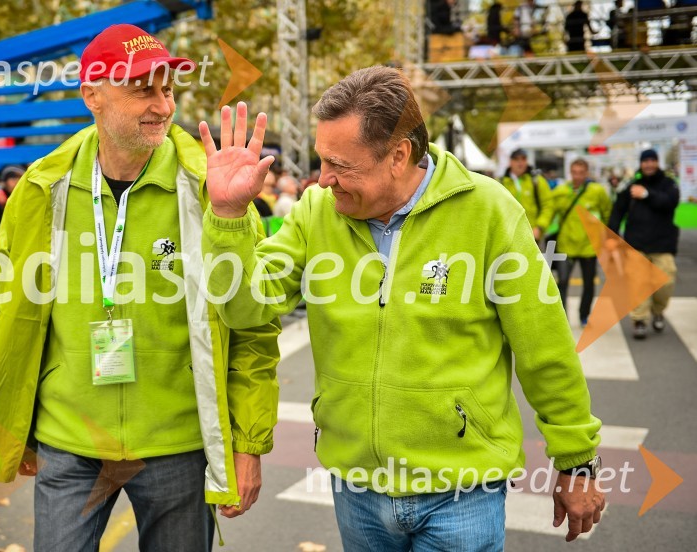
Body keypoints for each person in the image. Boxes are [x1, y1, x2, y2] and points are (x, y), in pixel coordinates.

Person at [200, 66, 605, 550]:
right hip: (357, 488)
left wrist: (576, 461)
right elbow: (246, 309)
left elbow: (546, 349)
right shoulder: (315, 212)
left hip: (462, 490)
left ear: (398, 155)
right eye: (320, 160)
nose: (323, 178)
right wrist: (227, 216)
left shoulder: (489, 212)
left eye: (340, 165)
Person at [0, 25, 281, 552]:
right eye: (142, 90)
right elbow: (16, 316)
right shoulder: (43, 188)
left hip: (176, 447)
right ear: (92, 93)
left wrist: (247, 445)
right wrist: (13, 425)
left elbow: (252, 323)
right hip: (69, 443)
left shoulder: (211, 188)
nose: (162, 106)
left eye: (168, 89)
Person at [608, 149, 680, 340]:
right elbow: (617, 211)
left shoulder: (668, 184)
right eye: (645, 161)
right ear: (641, 164)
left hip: (662, 244)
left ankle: (657, 311)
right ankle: (639, 320)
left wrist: (647, 194)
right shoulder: (631, 186)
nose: (649, 164)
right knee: (637, 283)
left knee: (666, 282)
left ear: (657, 163)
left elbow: (670, 202)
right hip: (636, 244)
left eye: (652, 160)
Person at [551, 159, 612, 327]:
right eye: (574, 172)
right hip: (566, 245)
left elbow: (607, 213)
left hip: (589, 247)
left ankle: (584, 315)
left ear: (587, 173)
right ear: (570, 173)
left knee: (588, 284)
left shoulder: (597, 191)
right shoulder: (561, 191)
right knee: (561, 282)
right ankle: (562, 316)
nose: (577, 176)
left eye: (581, 172)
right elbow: (548, 210)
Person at [500, 149, 553, 243]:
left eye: (523, 159)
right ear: (510, 162)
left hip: (532, 234)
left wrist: (540, 227)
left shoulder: (537, 181)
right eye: (516, 159)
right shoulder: (501, 182)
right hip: (507, 234)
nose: (520, 163)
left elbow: (548, 205)